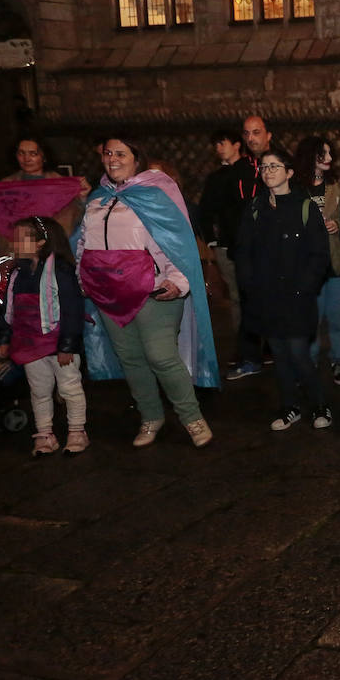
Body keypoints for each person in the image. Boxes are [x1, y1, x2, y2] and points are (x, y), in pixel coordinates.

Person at [76, 138, 217, 448]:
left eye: (120, 153)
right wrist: (82, 276)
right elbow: (84, 244)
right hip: (110, 296)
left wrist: (179, 280)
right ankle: (151, 416)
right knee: (131, 359)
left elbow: (176, 238)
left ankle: (191, 417)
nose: (112, 159)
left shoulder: (155, 195)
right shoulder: (97, 201)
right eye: (108, 153)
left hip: (155, 292)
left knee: (161, 356)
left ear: (136, 159)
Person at [237, 144, 333, 431]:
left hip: (297, 297)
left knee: (299, 354)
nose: (268, 172)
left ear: (289, 172)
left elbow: (319, 254)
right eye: (264, 167)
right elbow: (243, 251)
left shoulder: (305, 208)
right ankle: (289, 406)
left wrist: (305, 288)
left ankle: (320, 405)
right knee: (278, 355)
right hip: (266, 296)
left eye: (274, 166)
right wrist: (250, 287)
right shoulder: (255, 208)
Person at [0, 216, 87, 456]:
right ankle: (45, 433)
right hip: (29, 344)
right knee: (39, 390)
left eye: (20, 239)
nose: (13, 243)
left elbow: (73, 310)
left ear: (41, 243)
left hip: (57, 344)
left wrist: (67, 345)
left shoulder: (60, 271)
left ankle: (77, 431)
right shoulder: (17, 274)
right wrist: (5, 340)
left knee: (69, 388)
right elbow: (10, 311)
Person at [198, 129, 258, 378]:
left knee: (254, 296)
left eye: (222, 143)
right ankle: (246, 349)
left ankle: (259, 348)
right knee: (237, 298)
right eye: (216, 144)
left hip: (251, 245)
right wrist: (211, 240)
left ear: (236, 145)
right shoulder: (217, 177)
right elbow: (205, 210)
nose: (219, 148)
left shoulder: (250, 170)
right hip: (225, 245)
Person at [294, 135, 340, 383]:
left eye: (330, 153)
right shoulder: (297, 188)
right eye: (322, 154)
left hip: (335, 262)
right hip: (308, 264)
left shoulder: (336, 185)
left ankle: (339, 359)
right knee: (311, 318)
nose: (328, 159)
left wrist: (336, 224)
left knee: (337, 317)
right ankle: (311, 359)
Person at [223, 114, 274, 380]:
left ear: (268, 135)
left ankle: (280, 355)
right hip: (247, 252)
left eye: (257, 132)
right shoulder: (238, 170)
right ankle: (252, 358)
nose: (251, 138)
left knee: (279, 304)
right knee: (248, 306)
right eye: (247, 133)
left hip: (276, 251)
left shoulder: (281, 163)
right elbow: (231, 211)